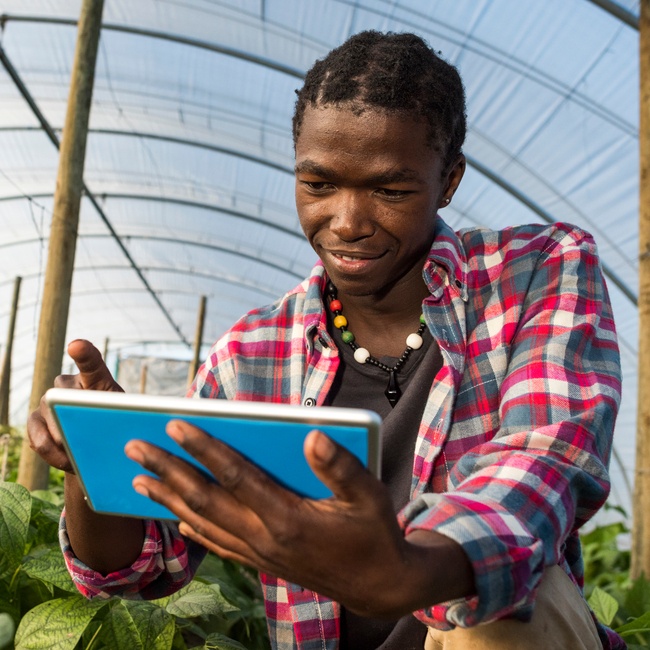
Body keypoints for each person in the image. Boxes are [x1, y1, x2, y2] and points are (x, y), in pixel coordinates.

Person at [28, 31, 624, 650]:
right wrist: (95, 459)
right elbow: (147, 566)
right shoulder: (253, 354)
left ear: (447, 181)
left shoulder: (535, 273)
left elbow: (546, 462)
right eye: (318, 185)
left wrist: (410, 572)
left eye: (390, 190)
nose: (346, 222)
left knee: (500, 614)